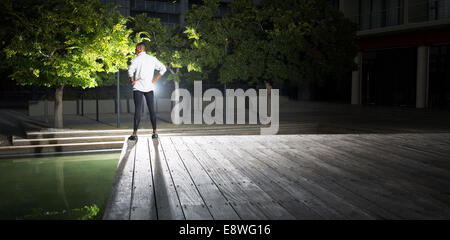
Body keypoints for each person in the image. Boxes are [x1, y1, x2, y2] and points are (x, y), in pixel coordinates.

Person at [128, 42, 166, 140]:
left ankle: (135, 134)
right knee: (152, 110)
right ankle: (155, 133)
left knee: (137, 110)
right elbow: (163, 69)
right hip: (149, 87)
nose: (135, 51)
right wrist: (153, 80)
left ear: (140, 49)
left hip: (138, 87)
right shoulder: (152, 59)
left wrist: (132, 81)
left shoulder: (136, 59)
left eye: (136, 49)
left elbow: (130, 71)